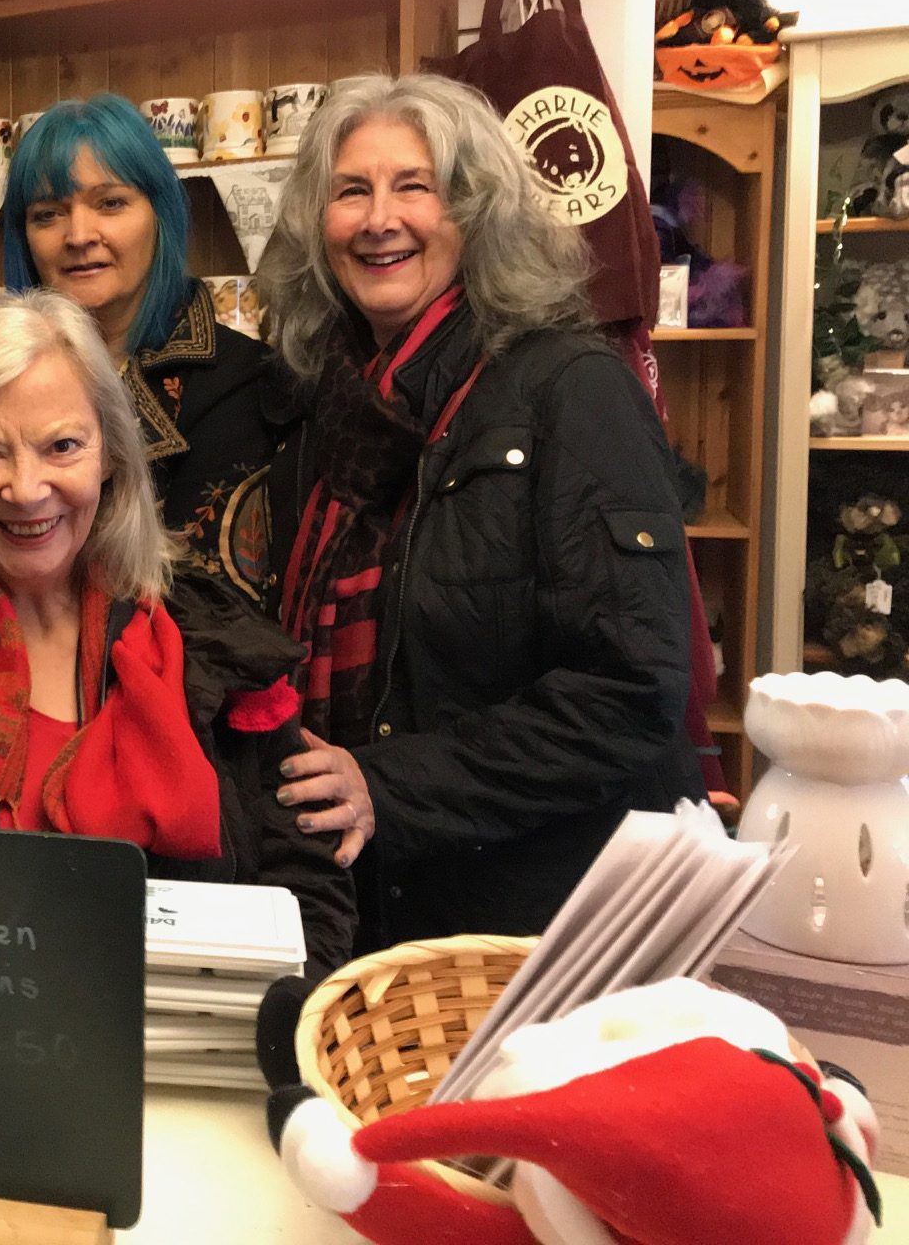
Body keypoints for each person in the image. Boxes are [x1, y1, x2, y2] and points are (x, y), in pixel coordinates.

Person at [255, 72, 703, 953]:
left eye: (414, 186)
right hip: (361, 903)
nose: (380, 219)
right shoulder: (319, 408)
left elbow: (631, 690)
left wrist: (388, 786)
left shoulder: (571, 389)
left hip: (534, 926)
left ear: (475, 212)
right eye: (351, 191)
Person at [0, 290, 353, 970]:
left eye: (62, 446)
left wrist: (276, 1019)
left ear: (111, 453)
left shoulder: (212, 640)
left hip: (191, 1031)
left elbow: (308, 887)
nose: (26, 489)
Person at [2, 93, 276, 608]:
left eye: (110, 203)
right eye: (48, 214)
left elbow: (217, 611)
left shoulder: (240, 382)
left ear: (160, 215)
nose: (78, 235)